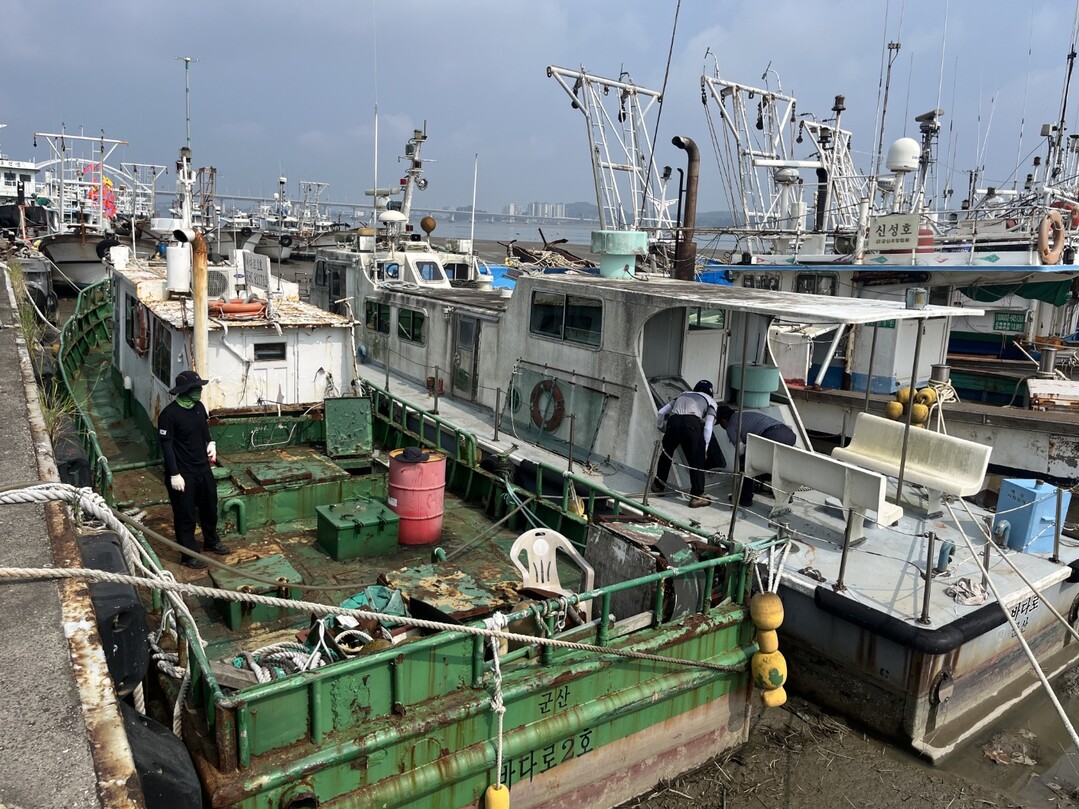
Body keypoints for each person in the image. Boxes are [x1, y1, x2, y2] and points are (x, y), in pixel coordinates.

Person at [159, 370, 230, 569]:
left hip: (202, 469)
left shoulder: (199, 407)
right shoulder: (169, 415)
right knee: (185, 515)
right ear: (185, 390)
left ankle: (211, 541)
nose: (199, 390)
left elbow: (204, 429)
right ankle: (188, 554)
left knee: (209, 507)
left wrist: (211, 442)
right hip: (183, 473)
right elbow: (167, 446)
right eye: (195, 387)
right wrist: (174, 474)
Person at [651, 380, 718, 508]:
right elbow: (708, 426)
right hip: (692, 424)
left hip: (673, 421)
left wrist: (660, 426)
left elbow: (661, 412)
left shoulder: (682, 394)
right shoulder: (711, 401)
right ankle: (697, 496)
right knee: (696, 461)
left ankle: (658, 486)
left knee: (666, 454)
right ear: (710, 392)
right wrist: (705, 448)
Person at [716, 405, 797, 505]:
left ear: (723, 421)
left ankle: (744, 498)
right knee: (776, 462)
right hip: (788, 434)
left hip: (772, 435)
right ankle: (786, 494)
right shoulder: (745, 415)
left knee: (746, 461)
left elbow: (741, 450)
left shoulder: (731, 426)